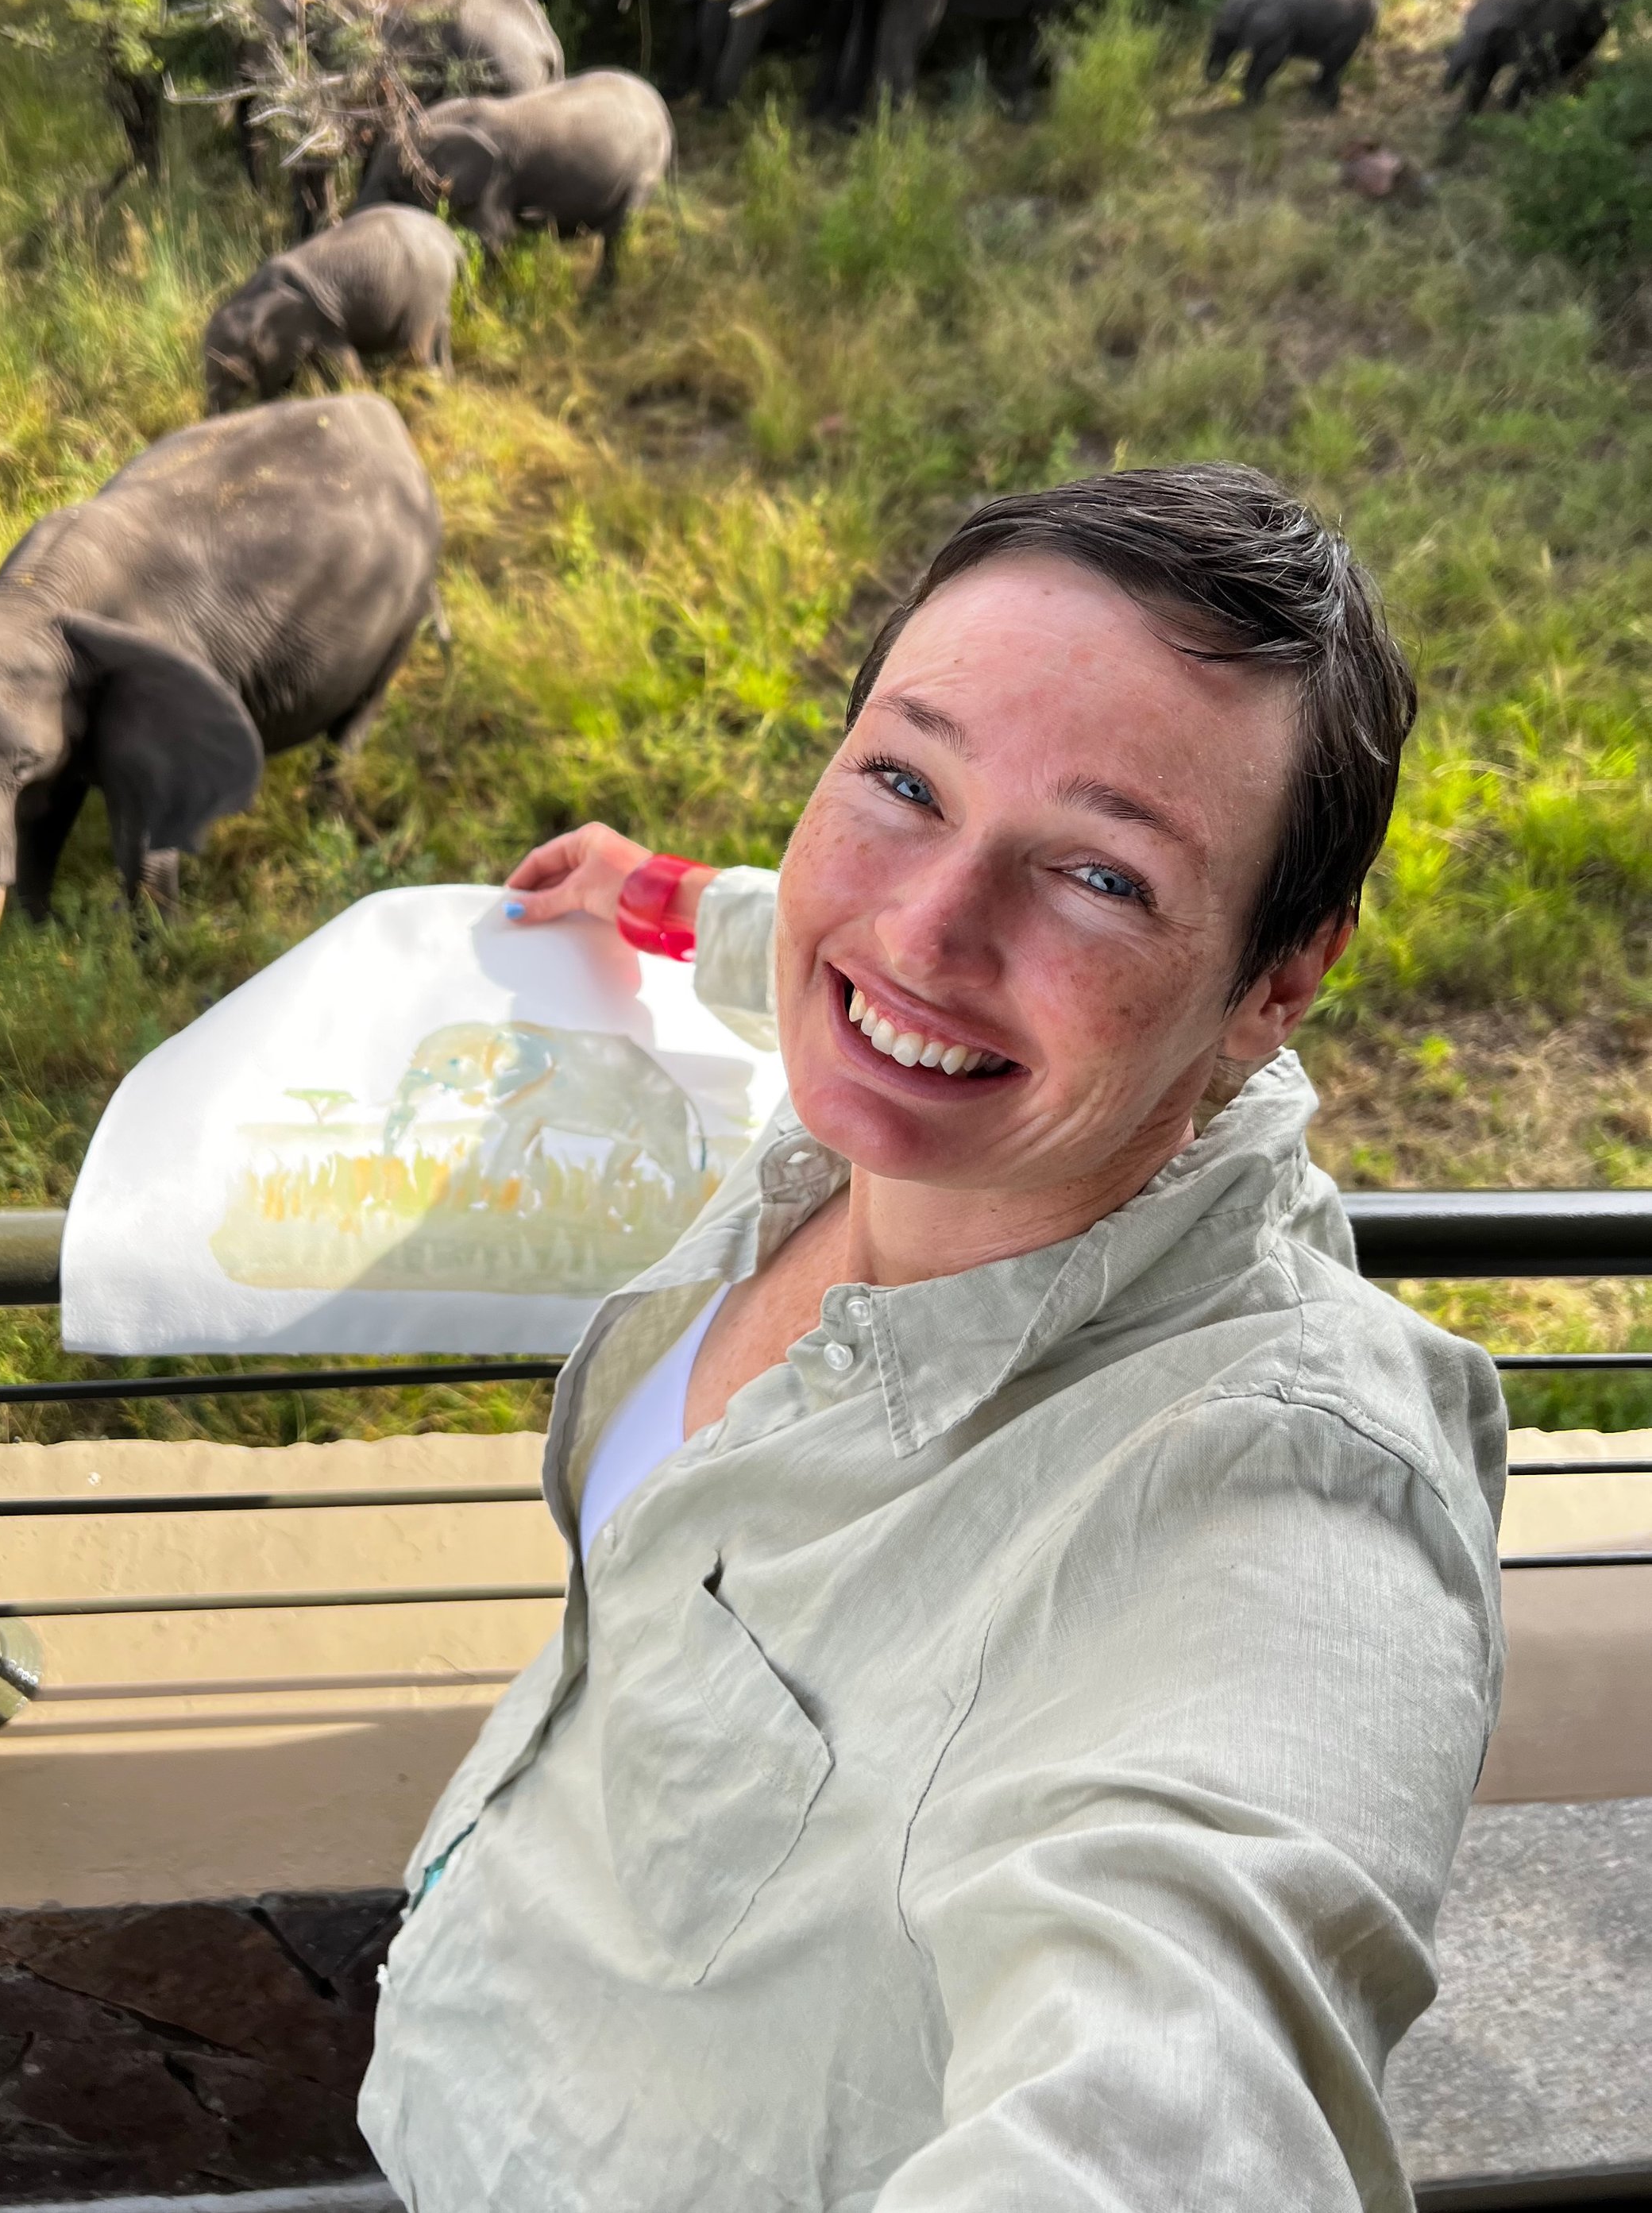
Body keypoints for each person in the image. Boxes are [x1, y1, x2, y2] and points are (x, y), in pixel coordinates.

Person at [358, 465, 1506, 2212]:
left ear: (1276, 980)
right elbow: (810, 931)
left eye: (1102, 876)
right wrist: (656, 892)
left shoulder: (1281, 1489)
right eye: (901, 776)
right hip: (472, 2077)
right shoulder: (877, 1103)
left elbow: (1175, 2097)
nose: (923, 930)